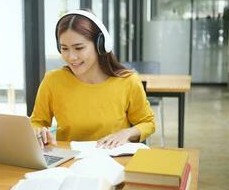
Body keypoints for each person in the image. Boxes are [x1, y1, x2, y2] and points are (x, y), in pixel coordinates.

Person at [30, 9, 156, 149]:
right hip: (68, 163)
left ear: (100, 45)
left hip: (114, 161)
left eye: (79, 48)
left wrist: (126, 133)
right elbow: (37, 122)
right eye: (64, 48)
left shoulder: (128, 81)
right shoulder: (53, 80)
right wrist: (38, 131)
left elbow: (147, 123)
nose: (71, 57)